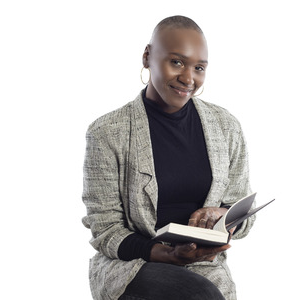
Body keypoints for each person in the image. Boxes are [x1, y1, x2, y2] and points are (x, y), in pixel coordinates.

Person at [82, 15, 255, 300]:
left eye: (199, 68)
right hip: (132, 265)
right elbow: (105, 228)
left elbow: (242, 213)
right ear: (148, 56)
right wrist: (162, 253)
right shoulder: (107, 132)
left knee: (208, 291)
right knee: (200, 295)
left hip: (205, 266)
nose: (188, 78)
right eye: (176, 62)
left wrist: (224, 217)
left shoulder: (226, 127)